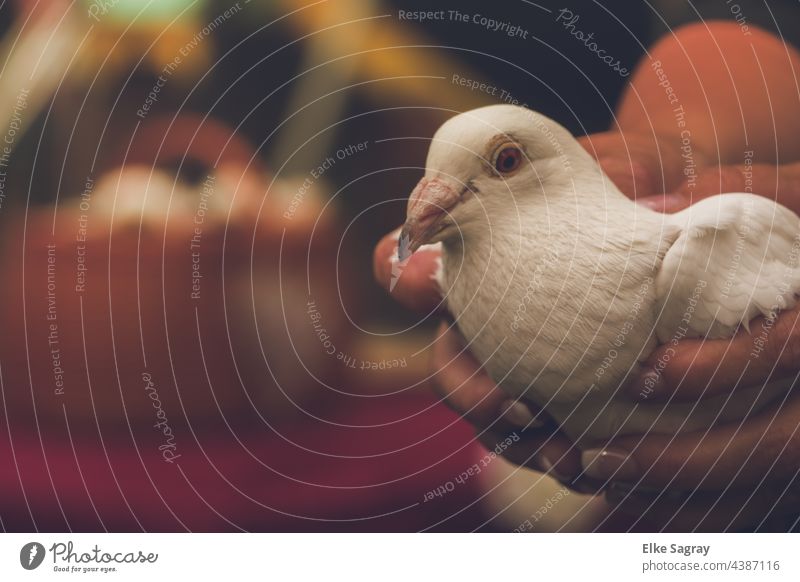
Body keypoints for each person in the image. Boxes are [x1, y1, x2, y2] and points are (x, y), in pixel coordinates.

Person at [374, 21, 800, 531]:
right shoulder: (458, 276)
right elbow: (727, 56)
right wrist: (668, 149)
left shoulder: (699, 254)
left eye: (505, 161)